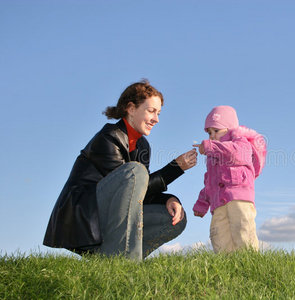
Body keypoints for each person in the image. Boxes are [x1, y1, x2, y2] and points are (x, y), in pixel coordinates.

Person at [43, 79, 197, 260]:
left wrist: (169, 199)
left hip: (114, 215)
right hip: (88, 217)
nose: (156, 119)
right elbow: (129, 187)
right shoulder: (109, 138)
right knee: (135, 171)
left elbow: (137, 193)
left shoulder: (143, 146)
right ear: (131, 109)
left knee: (173, 219)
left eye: (159, 113)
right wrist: (175, 168)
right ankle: (127, 264)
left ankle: (113, 259)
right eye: (151, 111)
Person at [193, 105, 267, 253]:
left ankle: (249, 262)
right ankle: (226, 265)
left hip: (239, 199)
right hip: (218, 203)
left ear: (230, 129)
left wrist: (210, 146)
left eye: (216, 131)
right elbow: (209, 182)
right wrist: (201, 204)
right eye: (209, 133)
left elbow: (235, 154)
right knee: (219, 235)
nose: (212, 136)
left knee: (243, 230)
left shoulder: (240, 143)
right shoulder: (212, 156)